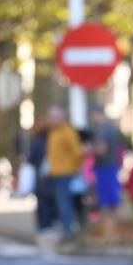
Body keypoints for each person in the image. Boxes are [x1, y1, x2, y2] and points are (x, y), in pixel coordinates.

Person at [44, 106, 84, 243]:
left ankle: (68, 232)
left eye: (54, 117)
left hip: (65, 173)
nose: (51, 120)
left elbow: (77, 153)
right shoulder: (53, 132)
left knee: (64, 204)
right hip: (55, 173)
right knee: (59, 203)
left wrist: (75, 168)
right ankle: (64, 229)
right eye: (50, 117)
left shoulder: (67, 132)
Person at [89, 104, 123, 241]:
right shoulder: (111, 127)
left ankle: (108, 233)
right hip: (111, 166)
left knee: (106, 203)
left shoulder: (103, 130)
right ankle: (112, 232)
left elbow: (101, 150)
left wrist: (88, 150)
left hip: (105, 168)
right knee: (112, 202)